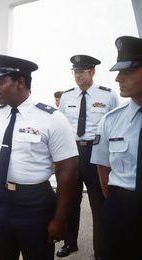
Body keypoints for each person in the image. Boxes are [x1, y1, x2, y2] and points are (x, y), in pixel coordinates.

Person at [0, 54, 79, 260]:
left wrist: (60, 218)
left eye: (0, 81)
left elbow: (68, 169)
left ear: (20, 82)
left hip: (34, 203)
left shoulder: (51, 118)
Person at [57, 55, 119, 258]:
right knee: (69, 201)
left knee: (98, 203)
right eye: (75, 72)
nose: (78, 76)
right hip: (72, 153)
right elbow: (61, 127)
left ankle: (100, 249)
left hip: (97, 152)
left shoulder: (108, 96)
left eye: (82, 72)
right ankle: (69, 242)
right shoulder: (67, 97)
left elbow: (116, 126)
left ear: (93, 72)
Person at [91, 35, 142, 260]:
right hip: (122, 208)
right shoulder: (111, 120)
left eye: (128, 71)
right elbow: (104, 171)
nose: (118, 78)